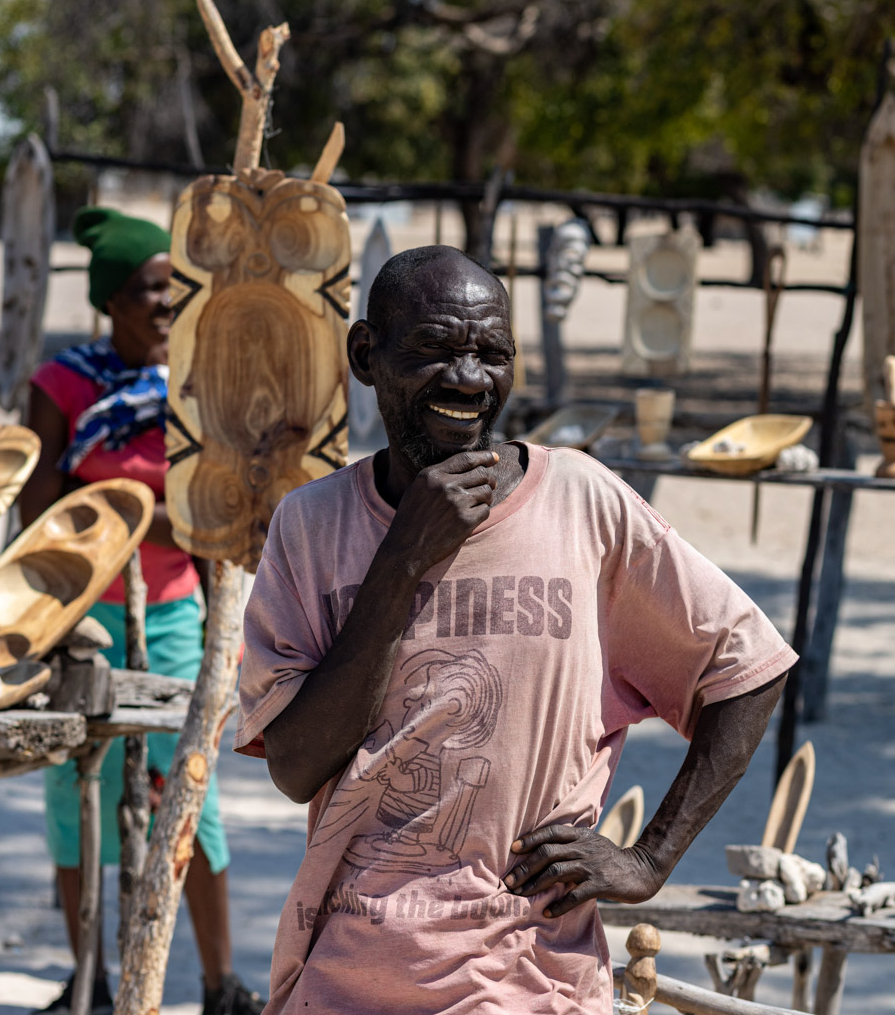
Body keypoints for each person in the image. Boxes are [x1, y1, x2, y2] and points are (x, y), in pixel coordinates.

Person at [234, 244, 798, 1014]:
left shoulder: (580, 502)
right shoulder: (311, 524)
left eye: (491, 353)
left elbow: (749, 663)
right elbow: (295, 767)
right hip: (342, 976)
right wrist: (402, 562)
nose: (469, 379)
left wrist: (649, 859)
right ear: (367, 355)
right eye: (436, 348)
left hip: (531, 981)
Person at [21, 207, 263, 1015]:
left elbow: (216, 524)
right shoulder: (62, 387)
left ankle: (221, 982)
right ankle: (86, 978)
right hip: (76, 621)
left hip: (171, 616)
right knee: (74, 795)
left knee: (188, 793)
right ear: (109, 303)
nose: (166, 306)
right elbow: (39, 523)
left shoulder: (194, 387)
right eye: (148, 291)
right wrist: (155, 515)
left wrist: (122, 511)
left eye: (174, 289)